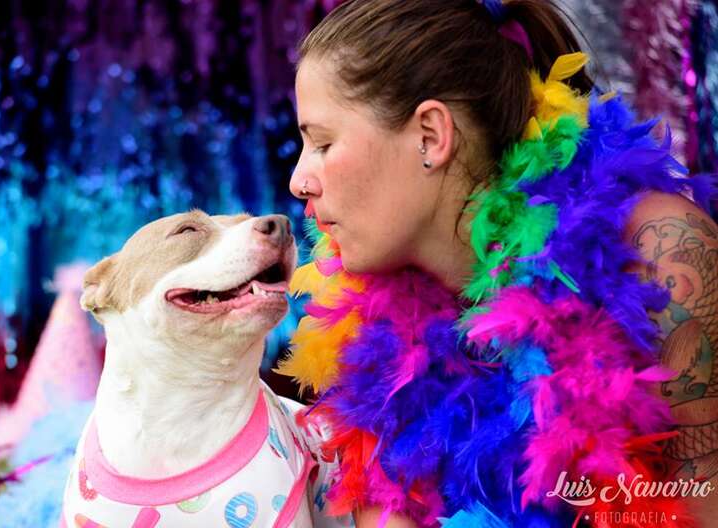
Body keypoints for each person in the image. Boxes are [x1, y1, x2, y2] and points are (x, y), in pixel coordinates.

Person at [278, 0, 718, 527]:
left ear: (430, 136)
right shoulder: (367, 335)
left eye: (323, 142)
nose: (298, 180)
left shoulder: (657, 249)